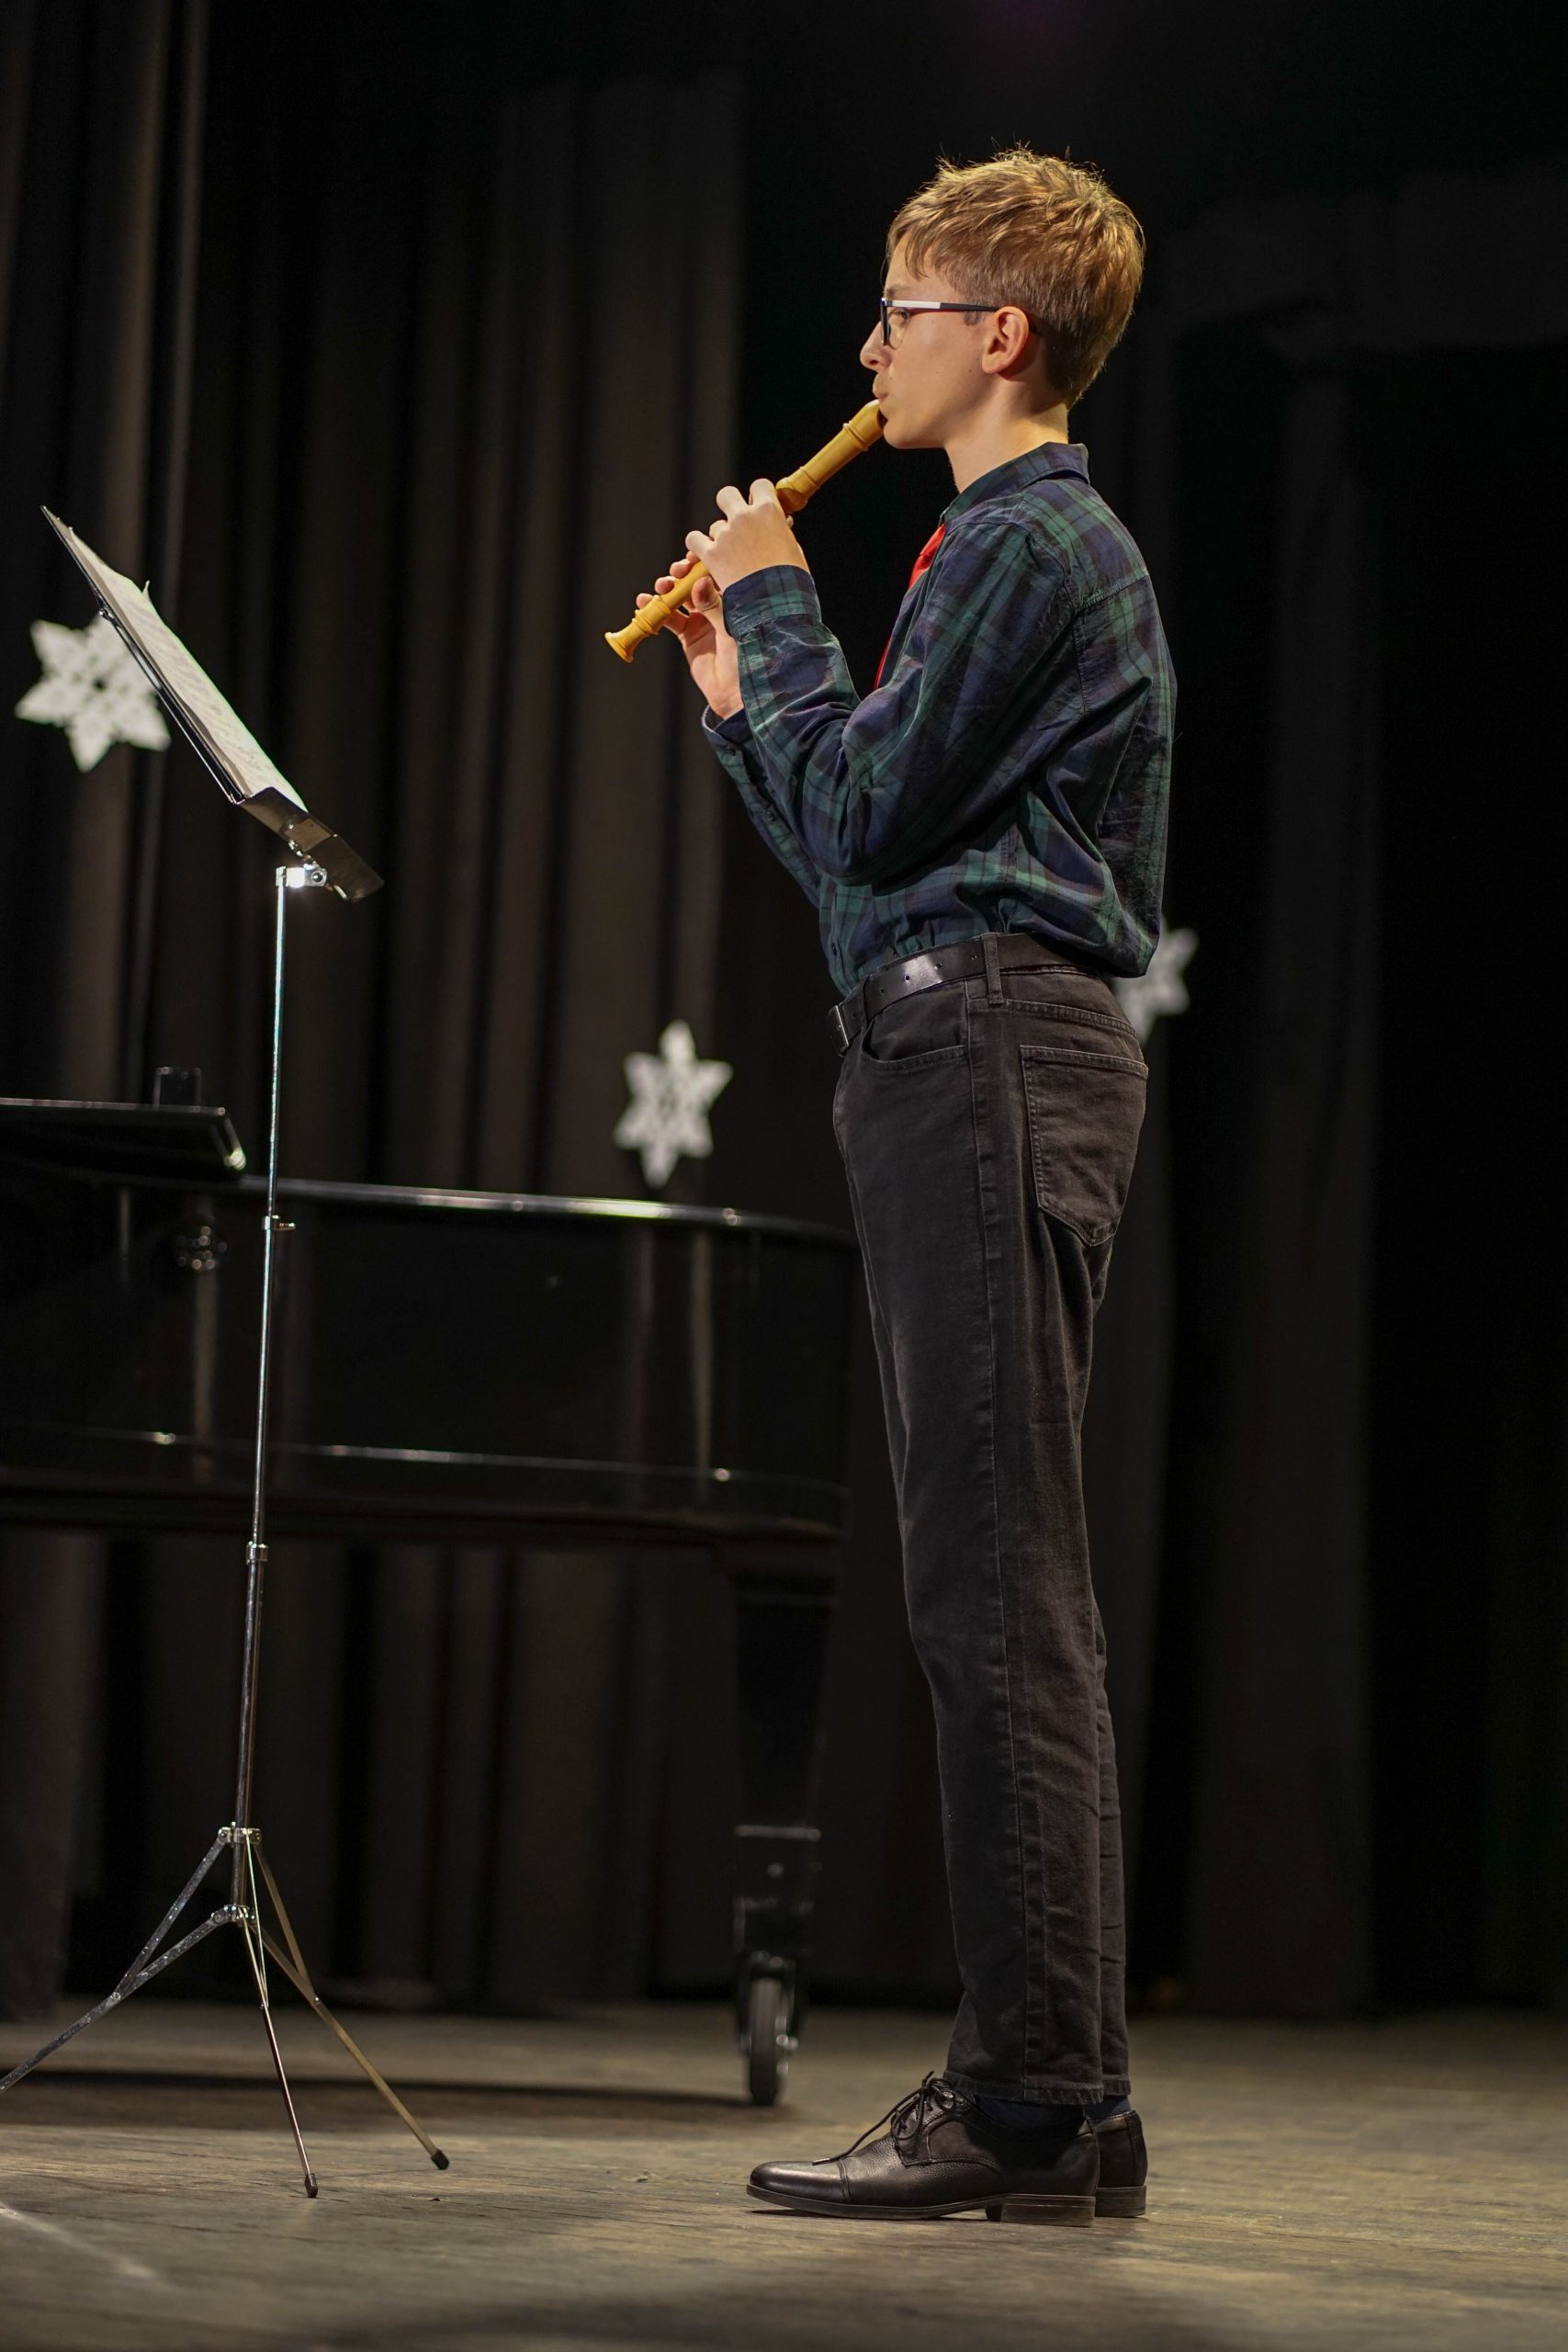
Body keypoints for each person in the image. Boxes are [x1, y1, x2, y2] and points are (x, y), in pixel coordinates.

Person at [643, 148, 1174, 2226]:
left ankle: (1027, 2096)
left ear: (997, 334)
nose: (869, 353)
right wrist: (734, 695)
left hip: (991, 1054)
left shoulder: (1030, 538)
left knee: (992, 1596)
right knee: (998, 1587)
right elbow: (858, 863)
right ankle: (1071, 2098)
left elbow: (867, 812)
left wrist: (777, 595)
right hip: (950, 1037)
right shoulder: (994, 549)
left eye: (900, 312)